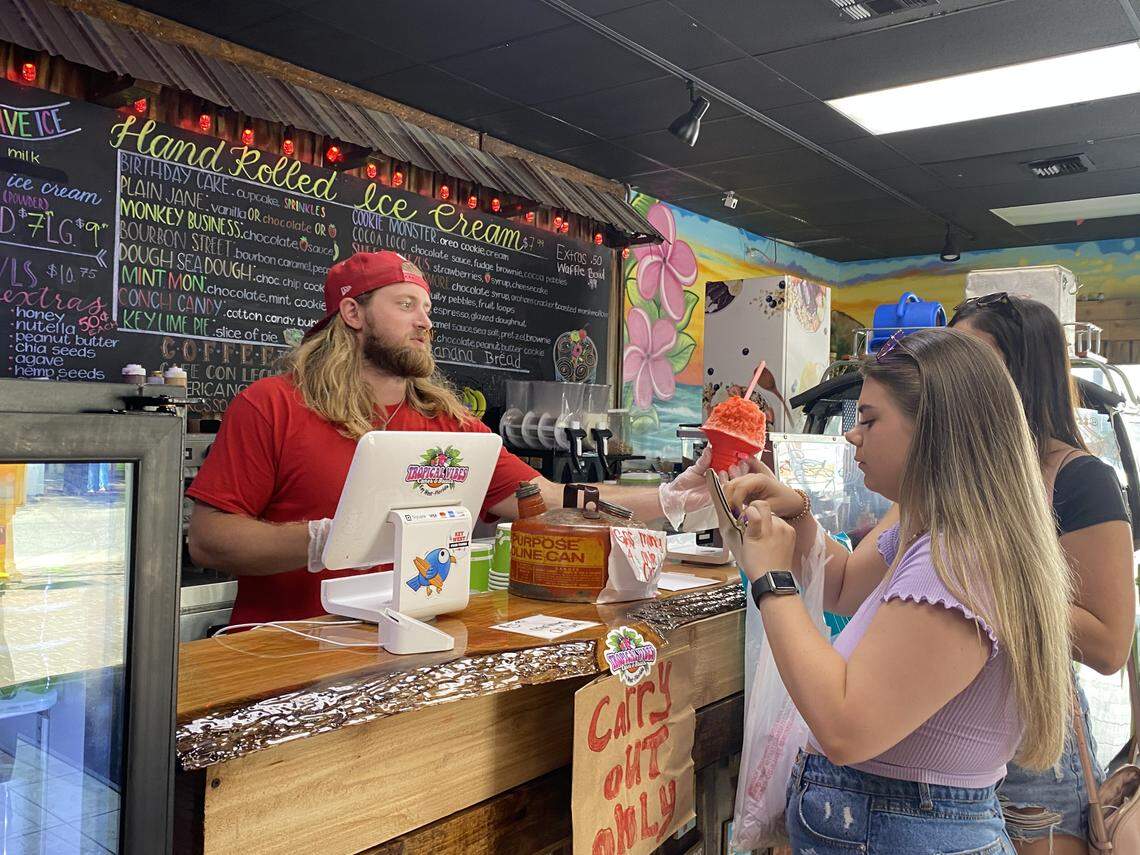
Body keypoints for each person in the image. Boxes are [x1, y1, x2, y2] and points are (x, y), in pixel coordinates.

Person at [187, 251, 713, 626]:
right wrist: (325, 540)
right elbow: (209, 540)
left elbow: (546, 500)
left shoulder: (448, 423)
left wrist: (670, 501)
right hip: (284, 653)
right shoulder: (273, 404)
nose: (426, 322)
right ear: (352, 313)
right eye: (406, 305)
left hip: (414, 649)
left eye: (428, 309)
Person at [724, 328, 1073, 855]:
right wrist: (797, 513)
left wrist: (772, 582)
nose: (852, 435)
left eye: (869, 419)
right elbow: (840, 587)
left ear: (934, 429)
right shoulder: (933, 523)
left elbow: (845, 726)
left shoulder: (959, 559)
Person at [951, 293, 1135, 854]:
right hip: (942, 736)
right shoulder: (953, 471)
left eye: (973, 361)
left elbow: (1108, 643)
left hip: (1034, 749)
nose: (953, 378)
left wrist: (991, 581)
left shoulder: (1079, 480)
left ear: (1022, 372)